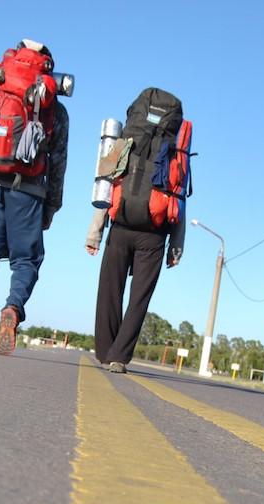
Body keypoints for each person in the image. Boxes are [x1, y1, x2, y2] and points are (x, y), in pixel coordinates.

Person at [0, 39, 69, 355]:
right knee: (27, 259)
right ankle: (13, 308)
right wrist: (51, 206)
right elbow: (58, 161)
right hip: (29, 189)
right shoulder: (55, 110)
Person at [86, 88, 188, 374]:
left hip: (120, 227)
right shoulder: (175, 151)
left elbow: (104, 184)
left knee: (110, 290)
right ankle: (119, 357)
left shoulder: (121, 142)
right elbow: (179, 198)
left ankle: (106, 352)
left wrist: (94, 232)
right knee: (139, 298)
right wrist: (176, 246)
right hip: (154, 234)